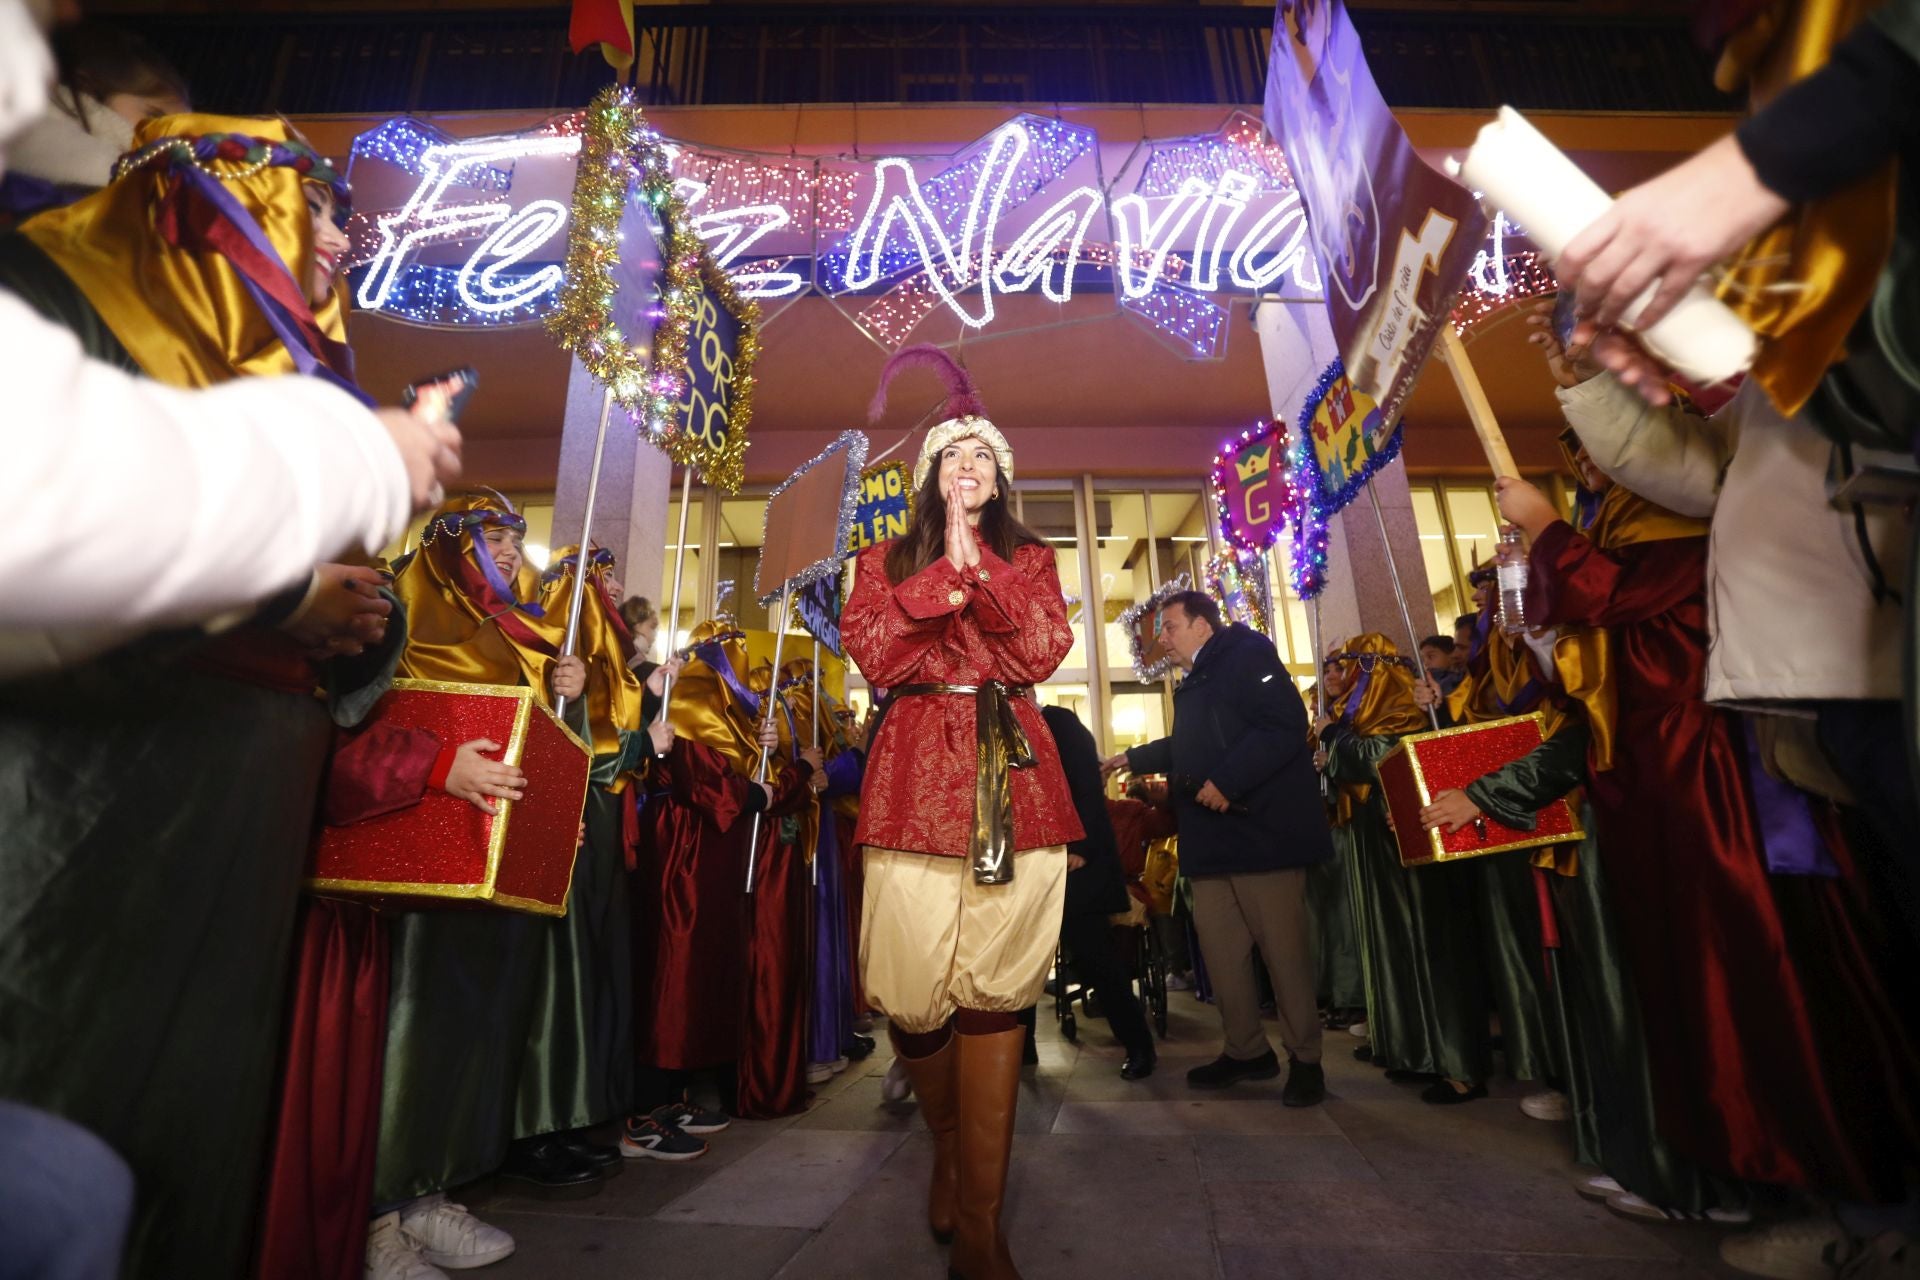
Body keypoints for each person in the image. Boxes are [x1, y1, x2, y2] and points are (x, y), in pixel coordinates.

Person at [0, 109, 423, 1280]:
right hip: (92, 797)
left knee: (201, 1132)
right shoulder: (61, 294)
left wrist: (360, 620)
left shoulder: (287, 379)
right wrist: (277, 593)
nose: (343, 244)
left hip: (248, 795)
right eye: (327, 212)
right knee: (73, 1111)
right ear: (235, 197)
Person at [845, 344, 1081, 1280]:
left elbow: (1039, 651)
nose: (968, 465)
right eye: (952, 455)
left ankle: (982, 1222)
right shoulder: (880, 559)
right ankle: (946, 1142)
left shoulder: (1032, 558)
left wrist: (979, 570)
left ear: (1002, 476)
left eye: (982, 455)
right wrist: (938, 576)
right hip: (911, 781)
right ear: (929, 475)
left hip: (1014, 781)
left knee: (998, 991)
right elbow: (877, 656)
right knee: (910, 992)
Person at [1101, 591, 1331, 1107]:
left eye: (1171, 626)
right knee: (1224, 959)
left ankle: (1306, 1059)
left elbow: (1285, 726)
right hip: (1212, 844)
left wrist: (1227, 781)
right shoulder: (1196, 681)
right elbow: (1191, 744)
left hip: (1263, 839)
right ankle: (1247, 1050)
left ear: (1203, 626)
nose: (1163, 637)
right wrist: (1130, 758)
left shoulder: (1246, 654)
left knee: (1284, 956)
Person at [1318, 636, 1494, 1104]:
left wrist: (1334, 739)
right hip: (1377, 844)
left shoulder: (1400, 705)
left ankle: (1457, 1062)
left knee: (1429, 945)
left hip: (1409, 837)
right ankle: (1411, 1048)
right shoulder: (1363, 714)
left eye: (1350, 667)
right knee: (1393, 946)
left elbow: (1383, 759)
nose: (1343, 678)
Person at [1043, 703, 1157, 1079]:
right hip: (1033, 861)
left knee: (1098, 959)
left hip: (1077, 863)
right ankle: (1020, 1051)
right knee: (1021, 963)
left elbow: (1087, 789)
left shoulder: (1058, 722)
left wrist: (1081, 847)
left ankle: (1139, 1045)